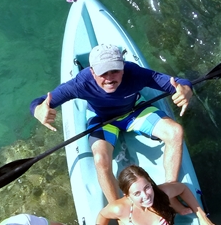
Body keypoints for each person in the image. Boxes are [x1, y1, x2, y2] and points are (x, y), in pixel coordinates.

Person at [30, 43, 194, 204]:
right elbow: (39, 102)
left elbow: (178, 83)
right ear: (92, 71)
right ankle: (119, 211)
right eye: (103, 73)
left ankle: (169, 191)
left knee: (176, 132)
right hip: (102, 120)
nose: (109, 78)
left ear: (123, 66)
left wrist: (186, 90)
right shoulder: (81, 84)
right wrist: (38, 111)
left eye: (115, 70)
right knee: (101, 159)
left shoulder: (134, 73)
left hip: (134, 112)